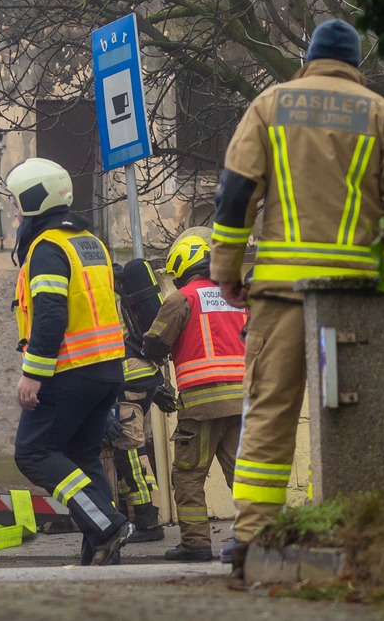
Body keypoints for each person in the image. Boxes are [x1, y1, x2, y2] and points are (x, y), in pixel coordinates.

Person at [211, 19, 384, 579]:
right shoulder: (382, 114)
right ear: (355, 65)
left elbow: (236, 193)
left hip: (282, 292)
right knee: (360, 412)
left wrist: (226, 269)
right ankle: (368, 528)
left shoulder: (272, 105)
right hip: (359, 296)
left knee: (271, 407)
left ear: (308, 57)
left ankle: (250, 536)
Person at [5, 157, 129, 566]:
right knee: (82, 456)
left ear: (33, 199)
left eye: (17, 203)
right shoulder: (89, 240)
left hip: (70, 370)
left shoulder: (46, 248)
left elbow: (52, 315)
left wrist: (33, 375)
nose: (15, 212)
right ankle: (99, 545)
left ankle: (108, 525)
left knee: (33, 453)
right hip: (106, 369)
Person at [141, 230, 246, 562]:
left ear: (182, 264)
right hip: (242, 401)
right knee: (243, 475)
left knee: (188, 475)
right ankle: (261, 537)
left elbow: (155, 343)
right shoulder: (236, 296)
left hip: (201, 405)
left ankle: (196, 543)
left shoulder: (182, 298)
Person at [105, 258, 174, 544]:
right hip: (144, 375)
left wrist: (108, 400)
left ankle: (149, 522)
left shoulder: (105, 299)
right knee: (134, 449)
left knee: (129, 451)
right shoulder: (123, 295)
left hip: (126, 378)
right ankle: (138, 517)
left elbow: (108, 346)